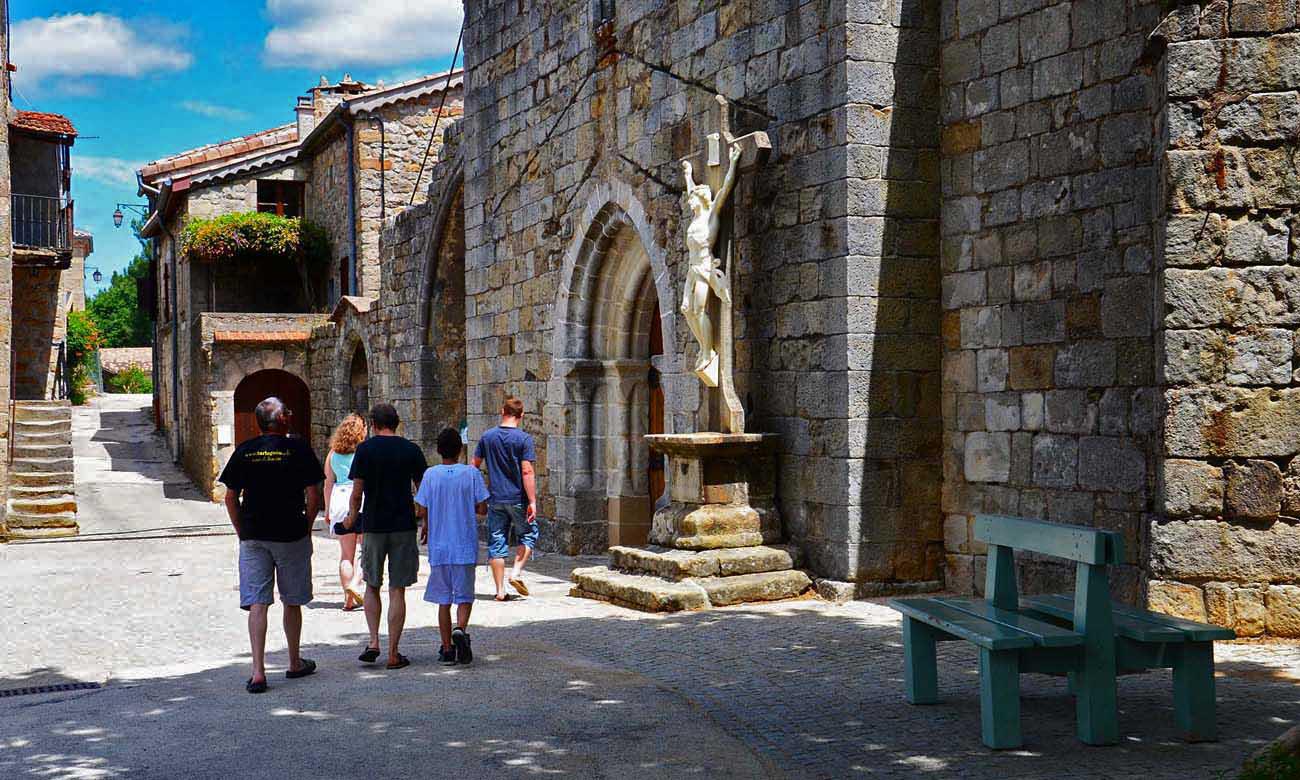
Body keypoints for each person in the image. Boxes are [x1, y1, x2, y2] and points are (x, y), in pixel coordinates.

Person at [219, 397, 323, 694]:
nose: (290, 416)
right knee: (292, 600)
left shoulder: (245, 451)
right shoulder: (299, 449)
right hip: (291, 533)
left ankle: (258, 672)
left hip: (254, 534)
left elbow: (230, 496)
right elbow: (313, 492)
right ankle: (293, 661)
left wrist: (242, 530)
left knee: (258, 603)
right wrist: (307, 524)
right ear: (282, 420)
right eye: (287, 412)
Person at [343, 403, 427, 670]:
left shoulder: (365, 450)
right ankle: (393, 652)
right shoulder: (411, 450)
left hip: (374, 525)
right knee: (397, 589)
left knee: (371, 584)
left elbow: (357, 492)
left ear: (374, 424)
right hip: (402, 524)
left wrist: (352, 517)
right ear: (397, 422)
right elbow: (422, 491)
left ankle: (373, 641)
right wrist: (425, 519)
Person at [415, 427, 489, 665]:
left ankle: (446, 647)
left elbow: (421, 508)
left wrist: (427, 524)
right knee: (465, 595)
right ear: (460, 449)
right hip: (464, 543)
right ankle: (461, 629)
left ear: (438, 450)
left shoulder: (430, 475)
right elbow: (482, 508)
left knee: (443, 599)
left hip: (439, 546)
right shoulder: (471, 474)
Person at [472, 395, 538, 601]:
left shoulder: (487, 437)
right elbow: (527, 471)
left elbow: (474, 466)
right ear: (522, 415)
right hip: (518, 498)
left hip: (496, 498)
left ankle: (500, 590)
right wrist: (533, 501)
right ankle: (516, 572)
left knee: (497, 541)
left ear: (502, 412)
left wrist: (479, 493)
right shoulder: (524, 439)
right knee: (529, 534)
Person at [324, 414, 368, 611]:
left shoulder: (333, 454)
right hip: (360, 499)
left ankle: (348, 599)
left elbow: (328, 483)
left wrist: (327, 509)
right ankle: (355, 585)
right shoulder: (363, 452)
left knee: (345, 554)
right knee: (365, 550)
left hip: (339, 501)